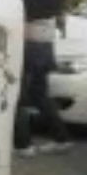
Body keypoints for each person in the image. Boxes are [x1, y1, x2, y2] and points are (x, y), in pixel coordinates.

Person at [16, 11, 72, 152]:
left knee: (20, 96)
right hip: (46, 44)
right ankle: (61, 138)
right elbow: (61, 18)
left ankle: (23, 144)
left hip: (29, 43)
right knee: (39, 94)